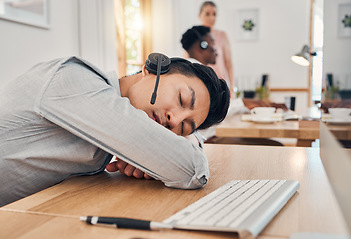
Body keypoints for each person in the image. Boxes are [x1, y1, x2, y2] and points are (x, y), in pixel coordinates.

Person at [0, 54, 230, 206]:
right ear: (153, 68)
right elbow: (190, 170)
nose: (174, 120)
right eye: (181, 98)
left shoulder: (112, 126)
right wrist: (158, 153)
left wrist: (153, 153)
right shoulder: (74, 81)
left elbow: (179, 158)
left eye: (183, 127)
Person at [198, 1, 235, 98]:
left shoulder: (222, 36)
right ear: (199, 15)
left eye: (214, 14)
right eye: (207, 14)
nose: (211, 18)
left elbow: (229, 64)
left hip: (219, 86)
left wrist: (232, 88)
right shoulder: (194, 37)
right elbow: (186, 61)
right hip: (201, 86)